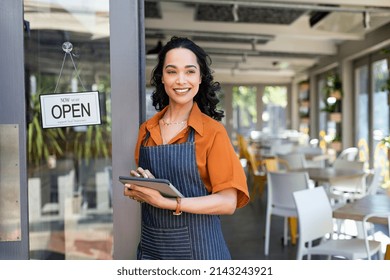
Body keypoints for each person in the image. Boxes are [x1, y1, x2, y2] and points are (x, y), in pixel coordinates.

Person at [124, 36, 249, 260]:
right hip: (153, 251)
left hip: (201, 252)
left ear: (200, 78)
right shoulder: (146, 130)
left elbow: (228, 202)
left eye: (190, 71)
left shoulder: (212, 133)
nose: (181, 80)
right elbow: (151, 187)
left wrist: (168, 202)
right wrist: (139, 190)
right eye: (172, 71)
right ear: (162, 78)